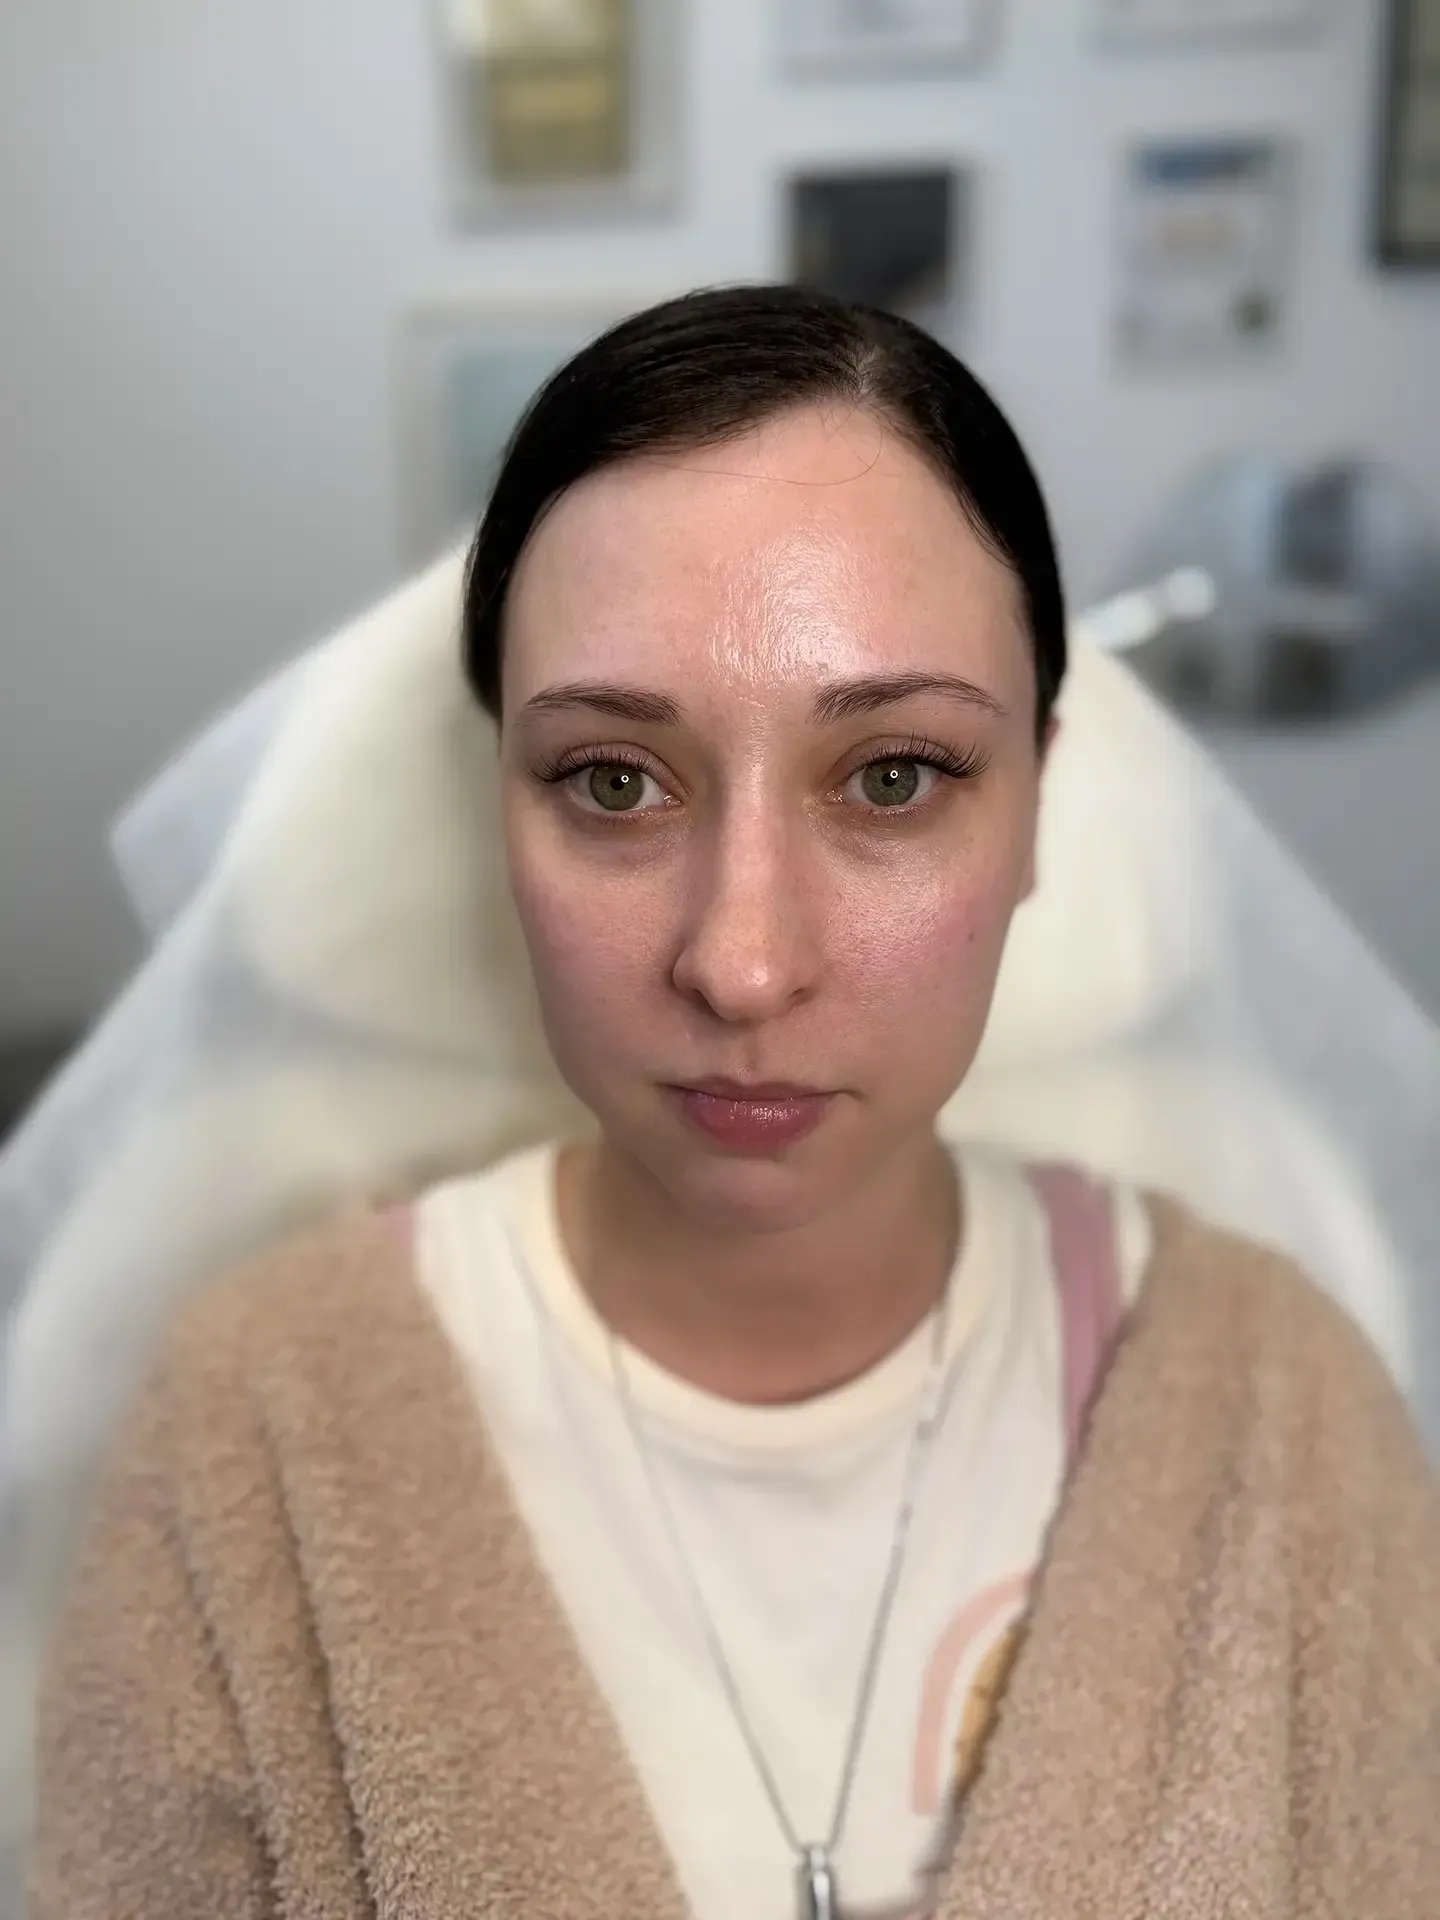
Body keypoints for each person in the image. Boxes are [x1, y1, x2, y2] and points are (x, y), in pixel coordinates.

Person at [22, 286, 1440, 1919]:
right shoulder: (256, 1430)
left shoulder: (1282, 1410)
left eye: (894, 775)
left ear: (1039, 805)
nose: (743, 965)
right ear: (500, 810)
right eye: (613, 781)